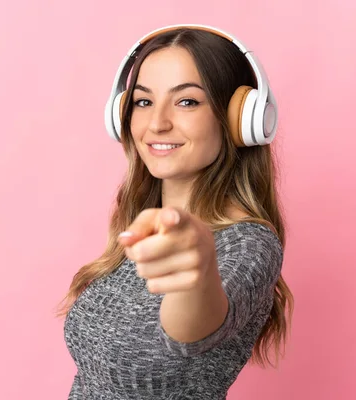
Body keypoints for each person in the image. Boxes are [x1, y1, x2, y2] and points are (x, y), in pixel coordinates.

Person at [58, 24, 294, 399]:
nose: (157, 123)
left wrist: (197, 267)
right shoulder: (141, 229)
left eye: (187, 101)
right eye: (143, 101)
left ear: (238, 119)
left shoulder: (249, 245)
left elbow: (191, 331)